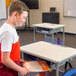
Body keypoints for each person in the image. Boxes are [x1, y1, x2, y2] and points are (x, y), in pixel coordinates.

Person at [0, 0, 29, 76]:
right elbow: (5, 60)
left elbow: (11, 50)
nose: (24, 21)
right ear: (15, 14)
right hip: (6, 71)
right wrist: (20, 69)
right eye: (23, 17)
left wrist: (18, 60)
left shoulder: (10, 28)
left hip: (10, 67)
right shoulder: (8, 32)